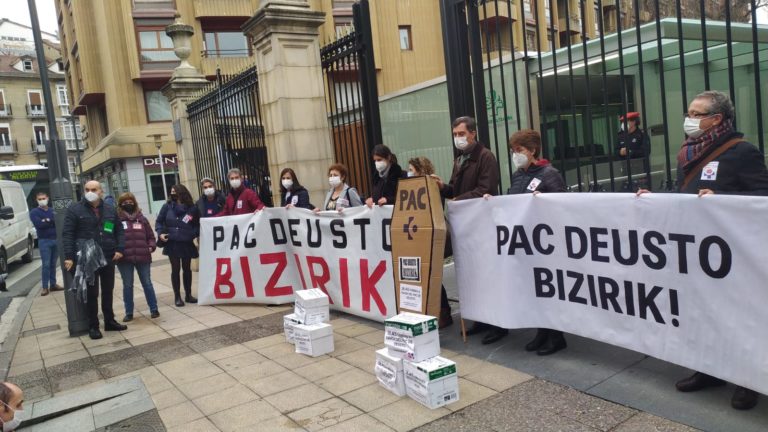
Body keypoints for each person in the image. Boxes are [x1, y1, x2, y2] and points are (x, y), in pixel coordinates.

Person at [639, 90, 768, 410]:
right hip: (698, 249)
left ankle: (747, 381)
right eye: (689, 113)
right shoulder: (688, 151)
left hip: (732, 251)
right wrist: (652, 198)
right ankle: (709, 370)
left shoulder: (742, 151)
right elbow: (684, 193)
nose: (689, 119)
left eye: (697, 114)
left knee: (737, 318)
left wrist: (722, 201)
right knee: (703, 313)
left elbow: (761, 197)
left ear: (717, 119)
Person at [488, 129, 568, 354]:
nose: (515, 155)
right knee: (534, 290)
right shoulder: (518, 175)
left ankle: (556, 336)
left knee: (549, 291)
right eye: (513, 150)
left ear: (532, 150)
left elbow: (563, 204)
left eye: (519, 150)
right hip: (525, 241)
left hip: (545, 243)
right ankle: (542, 331)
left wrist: (544, 201)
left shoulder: (549, 173)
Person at [434, 116, 500, 341]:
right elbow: (455, 189)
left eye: (461, 134)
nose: (458, 138)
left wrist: (459, 199)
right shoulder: (460, 159)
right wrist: (443, 187)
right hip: (465, 226)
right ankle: (480, 319)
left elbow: (486, 189)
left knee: (486, 275)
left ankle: (497, 325)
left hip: (481, 224)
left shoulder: (485, 157)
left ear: (473, 133)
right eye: (455, 134)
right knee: (471, 276)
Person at [62, 180, 127, 340]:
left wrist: (120, 249)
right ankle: (93, 326)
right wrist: (69, 256)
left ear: (101, 191)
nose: (90, 192)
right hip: (88, 257)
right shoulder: (75, 209)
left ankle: (109, 321)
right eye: (87, 189)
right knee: (92, 293)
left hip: (108, 254)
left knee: (108, 289)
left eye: (94, 189)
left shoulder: (110, 209)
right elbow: (68, 234)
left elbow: (118, 230)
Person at [116, 193, 159, 322]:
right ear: (120, 204)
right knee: (127, 285)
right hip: (124, 258)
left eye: (130, 202)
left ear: (134, 203)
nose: (128, 204)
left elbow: (151, 237)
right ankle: (129, 312)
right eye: (125, 202)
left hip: (143, 256)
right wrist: (114, 250)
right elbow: (107, 235)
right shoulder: (114, 219)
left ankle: (154, 309)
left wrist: (151, 247)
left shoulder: (142, 219)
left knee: (147, 283)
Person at [157, 185, 200, 307]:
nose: (173, 194)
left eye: (175, 192)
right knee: (175, 269)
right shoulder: (167, 206)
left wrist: (192, 233)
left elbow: (197, 224)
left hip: (186, 242)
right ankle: (177, 296)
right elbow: (159, 221)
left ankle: (188, 294)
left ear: (182, 193)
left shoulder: (192, 208)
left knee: (187, 269)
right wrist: (160, 233)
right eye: (171, 192)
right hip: (172, 242)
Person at [29, 192, 63, 296]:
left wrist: (47, 221)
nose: (42, 200)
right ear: (36, 200)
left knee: (53, 264)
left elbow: (58, 222)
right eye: (39, 199)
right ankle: (44, 287)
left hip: (55, 239)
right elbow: (39, 224)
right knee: (46, 264)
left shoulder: (53, 210)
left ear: (47, 198)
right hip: (44, 241)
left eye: (43, 198)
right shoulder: (34, 212)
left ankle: (53, 284)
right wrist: (50, 221)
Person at [616, 111, 651, 190]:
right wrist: (620, 152)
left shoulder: (642, 135)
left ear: (634, 122)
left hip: (640, 171)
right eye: (622, 122)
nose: (623, 124)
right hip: (625, 172)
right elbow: (616, 151)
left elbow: (646, 151)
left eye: (626, 121)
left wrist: (630, 152)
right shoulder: (621, 136)